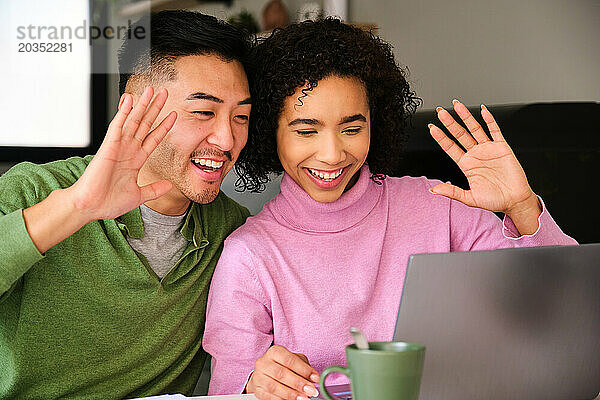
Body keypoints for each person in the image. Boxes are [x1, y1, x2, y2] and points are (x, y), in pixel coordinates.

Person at [202, 18, 577, 400]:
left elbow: (561, 312)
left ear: (375, 123)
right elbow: (229, 392)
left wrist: (522, 205)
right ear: (270, 131)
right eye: (306, 130)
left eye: (351, 128)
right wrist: (253, 383)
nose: (331, 154)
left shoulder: (439, 206)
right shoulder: (248, 254)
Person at [0, 11, 253, 399]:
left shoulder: (233, 231)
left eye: (241, 117)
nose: (226, 139)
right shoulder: (35, 190)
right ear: (133, 109)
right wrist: (78, 206)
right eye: (204, 112)